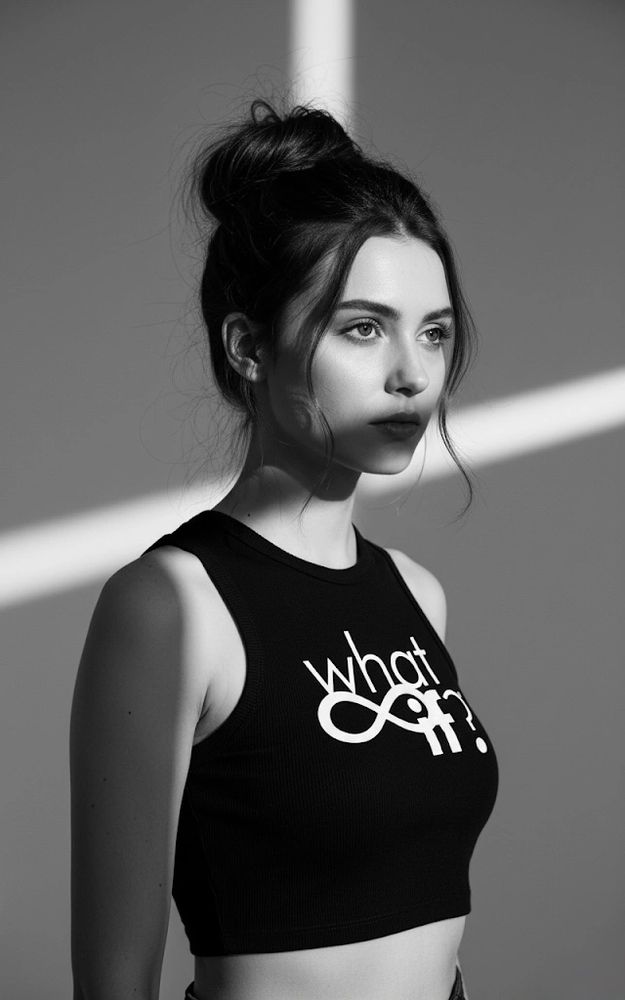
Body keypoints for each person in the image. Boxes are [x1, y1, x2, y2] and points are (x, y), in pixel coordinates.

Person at [70, 98, 499, 1000]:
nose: (411, 375)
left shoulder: (415, 594)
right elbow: (113, 979)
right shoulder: (170, 603)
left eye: (433, 331)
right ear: (248, 346)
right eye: (362, 328)